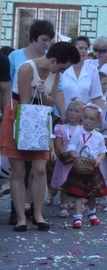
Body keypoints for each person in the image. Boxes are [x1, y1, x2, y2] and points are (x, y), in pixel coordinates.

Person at [1, 42, 79, 232]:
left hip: (41, 117)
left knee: (40, 168)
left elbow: (51, 101)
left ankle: (38, 214)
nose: (62, 70)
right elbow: (26, 104)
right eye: (62, 66)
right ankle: (20, 217)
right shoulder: (27, 68)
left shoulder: (55, 72)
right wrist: (40, 96)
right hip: (20, 117)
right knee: (18, 171)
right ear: (53, 60)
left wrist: (45, 95)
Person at [62, 103, 107, 229]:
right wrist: (75, 156)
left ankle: (91, 212)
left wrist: (98, 160)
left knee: (92, 194)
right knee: (79, 193)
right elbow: (71, 146)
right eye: (86, 118)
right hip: (79, 166)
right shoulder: (77, 132)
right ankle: (78, 217)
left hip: (92, 168)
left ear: (97, 121)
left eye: (91, 119)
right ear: (82, 118)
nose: (87, 121)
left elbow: (103, 151)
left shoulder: (98, 136)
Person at [50, 99, 84, 219]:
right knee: (64, 183)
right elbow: (58, 142)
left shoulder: (83, 129)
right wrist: (64, 154)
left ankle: (78, 203)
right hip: (65, 161)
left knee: (79, 182)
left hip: (78, 160)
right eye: (70, 110)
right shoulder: (61, 128)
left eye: (76, 111)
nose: (72, 113)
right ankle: (63, 205)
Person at [56, 36, 105, 118]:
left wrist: (105, 116)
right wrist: (63, 114)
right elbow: (56, 92)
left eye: (86, 48)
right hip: (61, 116)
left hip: (82, 118)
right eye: (80, 48)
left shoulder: (92, 70)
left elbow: (96, 97)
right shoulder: (62, 67)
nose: (84, 51)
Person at [8, 19, 54, 86]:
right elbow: (6, 83)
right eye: (44, 40)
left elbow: (58, 88)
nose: (47, 44)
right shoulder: (14, 56)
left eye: (49, 41)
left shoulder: (51, 58)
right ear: (33, 37)